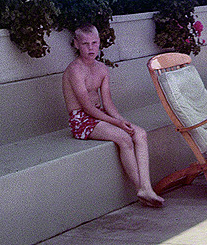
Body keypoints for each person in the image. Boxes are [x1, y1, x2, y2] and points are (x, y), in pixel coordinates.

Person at [63, 24, 164, 209]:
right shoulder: (75, 70)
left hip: (100, 115)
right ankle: (140, 188)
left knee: (139, 133)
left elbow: (107, 103)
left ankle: (147, 187)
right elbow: (86, 107)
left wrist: (122, 120)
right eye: (85, 44)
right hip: (81, 119)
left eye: (94, 43)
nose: (90, 48)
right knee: (124, 138)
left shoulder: (101, 68)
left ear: (99, 43)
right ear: (76, 44)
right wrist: (116, 123)